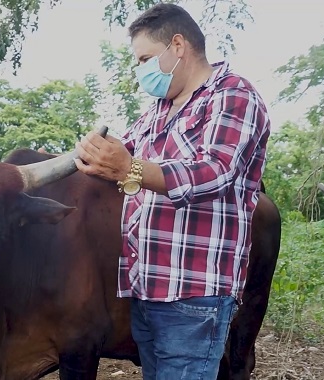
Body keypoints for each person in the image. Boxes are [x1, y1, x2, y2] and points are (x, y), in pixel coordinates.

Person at [73, 3, 271, 379]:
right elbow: (124, 158)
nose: (140, 70)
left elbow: (215, 171)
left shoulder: (233, 96)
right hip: (146, 285)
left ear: (177, 45)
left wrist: (126, 166)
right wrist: (97, 155)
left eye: (145, 58)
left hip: (193, 294)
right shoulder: (156, 111)